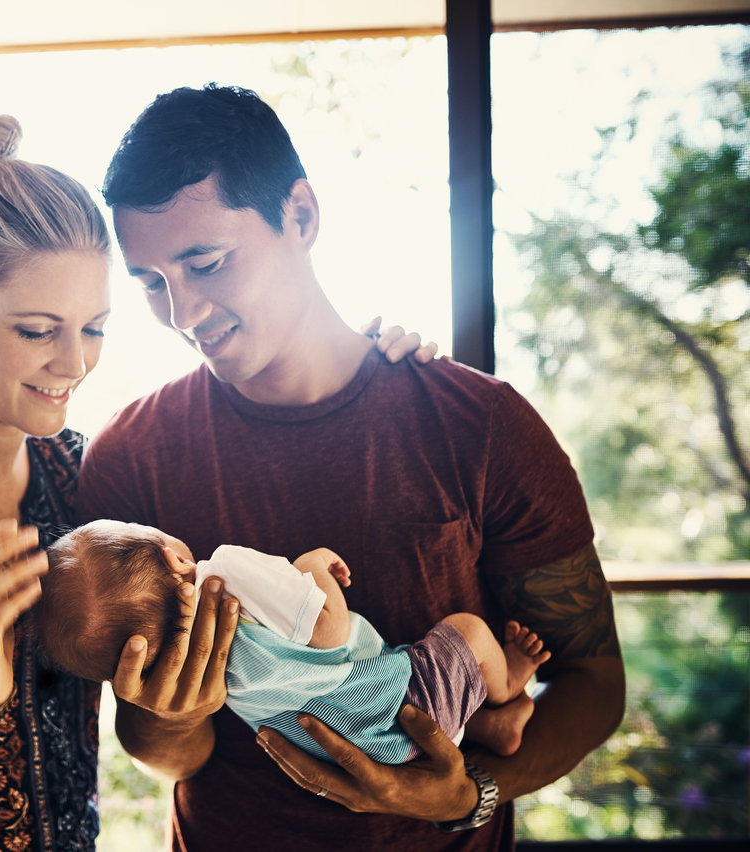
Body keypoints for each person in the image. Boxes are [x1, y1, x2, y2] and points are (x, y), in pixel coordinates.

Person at [0, 113, 433, 851]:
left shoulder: (78, 476)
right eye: (37, 330)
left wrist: (372, 364)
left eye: (95, 327)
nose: (75, 364)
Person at [76, 84, 625, 850]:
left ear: (300, 215)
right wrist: (167, 713)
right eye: (151, 282)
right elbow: (171, 755)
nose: (183, 312)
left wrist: (470, 794)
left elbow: (594, 684)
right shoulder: (131, 459)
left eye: (206, 262)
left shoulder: (479, 426)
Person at [33, 520, 548, 765]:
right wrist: (312, 565)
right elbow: (328, 631)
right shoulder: (225, 571)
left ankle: (488, 723)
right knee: (468, 633)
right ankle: (506, 683)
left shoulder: (195, 670)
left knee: (434, 682)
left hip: (371, 751)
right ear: (172, 557)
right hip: (401, 701)